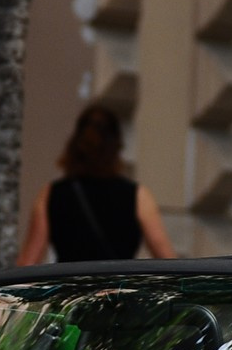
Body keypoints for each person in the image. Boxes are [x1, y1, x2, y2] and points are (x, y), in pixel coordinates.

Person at [16, 104, 175, 266]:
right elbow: (168, 261)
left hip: (71, 289)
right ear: (116, 146)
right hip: (118, 288)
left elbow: (28, 262)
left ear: (75, 145)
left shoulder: (51, 194)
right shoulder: (138, 196)